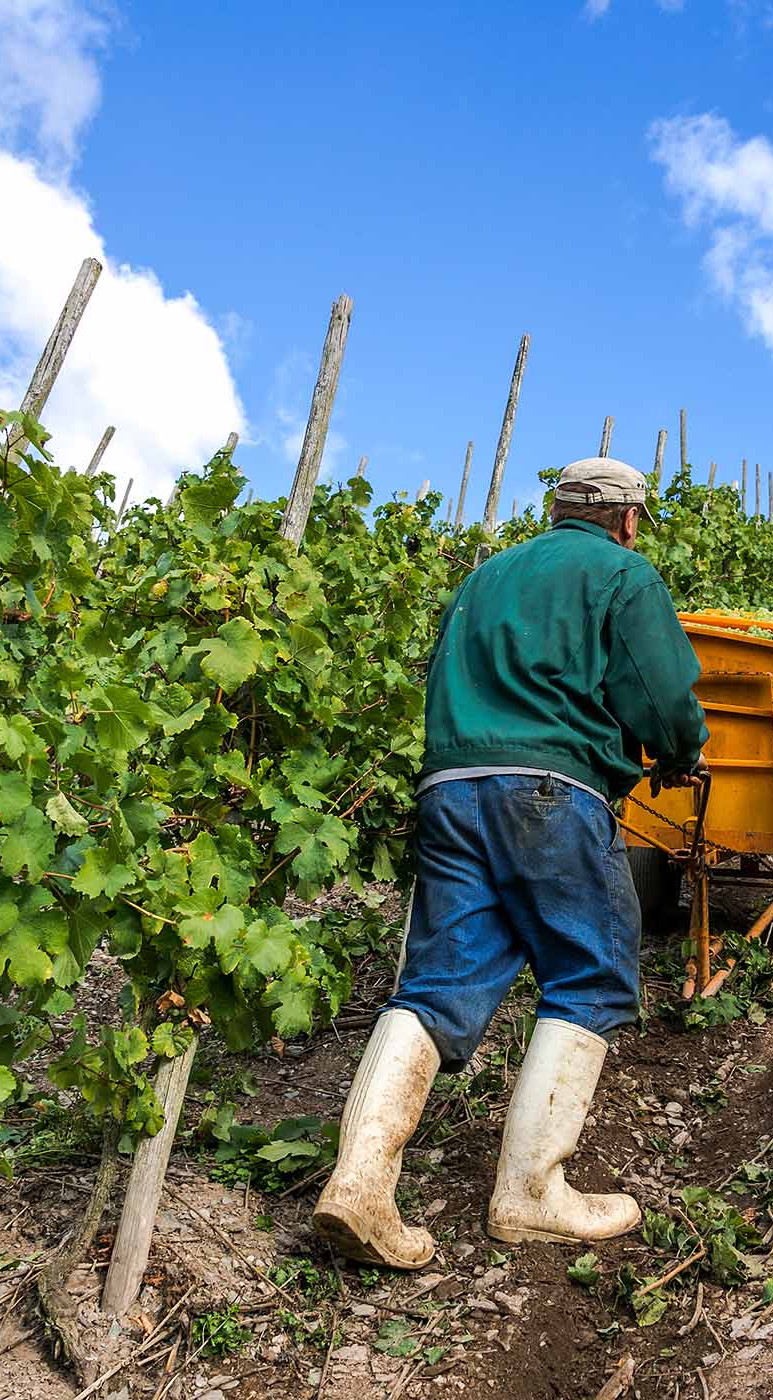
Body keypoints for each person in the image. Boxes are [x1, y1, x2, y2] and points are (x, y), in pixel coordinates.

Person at [313, 456, 708, 1269]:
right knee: (591, 974)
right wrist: (677, 752)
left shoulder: (486, 576)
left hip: (451, 790)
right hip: (550, 790)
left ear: (557, 509)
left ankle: (359, 1184)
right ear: (628, 519)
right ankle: (530, 1194)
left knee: (435, 985)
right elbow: (661, 693)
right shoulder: (623, 573)